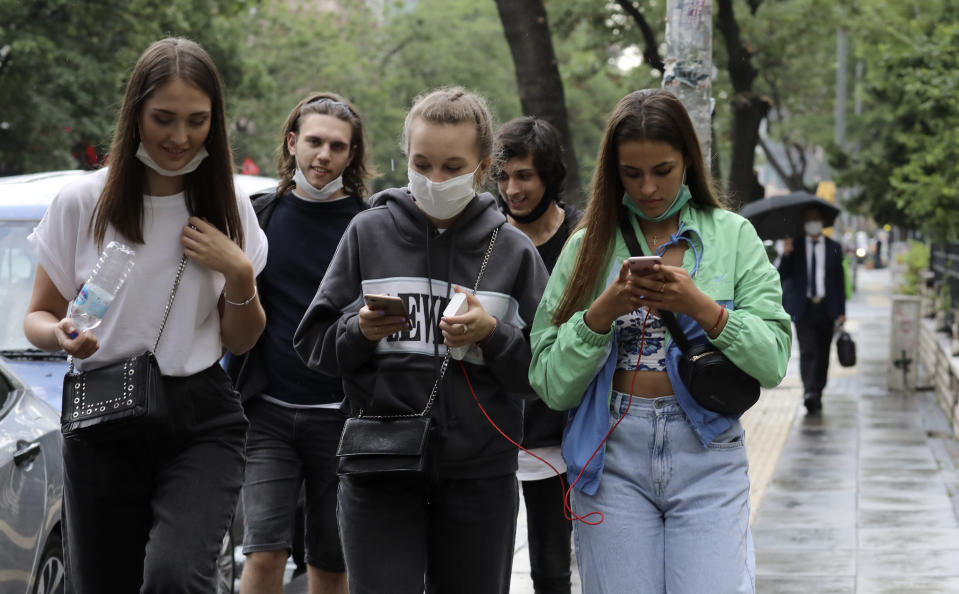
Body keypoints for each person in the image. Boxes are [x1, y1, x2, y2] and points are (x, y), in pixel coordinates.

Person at [23, 38, 268, 592]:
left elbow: (242, 339)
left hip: (200, 417)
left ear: (216, 122)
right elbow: (36, 316)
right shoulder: (82, 201)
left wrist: (240, 275)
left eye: (197, 121)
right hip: (104, 413)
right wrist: (60, 335)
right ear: (136, 113)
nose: (180, 138)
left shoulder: (229, 205)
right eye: (163, 118)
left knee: (174, 576)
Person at [528, 89, 792, 593]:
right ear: (613, 172)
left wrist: (703, 309)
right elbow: (550, 383)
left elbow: (773, 360)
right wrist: (600, 314)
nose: (648, 188)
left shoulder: (733, 236)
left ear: (688, 162)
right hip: (610, 457)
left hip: (707, 449)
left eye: (663, 170)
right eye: (632, 173)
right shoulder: (587, 247)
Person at [293, 87, 549, 594]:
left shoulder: (514, 249)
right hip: (379, 467)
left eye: (452, 166)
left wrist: (493, 335)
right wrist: (360, 330)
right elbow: (313, 345)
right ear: (404, 158)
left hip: (481, 474)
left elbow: (544, 375)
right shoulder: (368, 232)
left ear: (481, 168)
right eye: (422, 163)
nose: (434, 180)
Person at [230, 92, 372, 594]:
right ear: (292, 143)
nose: (323, 155)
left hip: (342, 414)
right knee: (263, 551)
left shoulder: (369, 223)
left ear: (351, 155)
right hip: (266, 413)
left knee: (331, 563)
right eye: (313, 141)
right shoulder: (259, 215)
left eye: (337, 146)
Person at [491, 116, 580, 594]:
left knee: (551, 568)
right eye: (503, 177)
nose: (512, 189)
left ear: (547, 175)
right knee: (486, 567)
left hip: (561, 434)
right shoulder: (485, 236)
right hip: (495, 428)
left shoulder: (583, 239)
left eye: (523, 175)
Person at [778, 204, 846, 414]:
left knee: (823, 352)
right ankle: (809, 391)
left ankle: (818, 390)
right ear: (804, 223)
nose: (813, 223)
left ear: (822, 222)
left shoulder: (834, 246)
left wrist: (842, 311)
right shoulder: (795, 246)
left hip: (827, 307)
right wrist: (787, 254)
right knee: (808, 351)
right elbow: (782, 274)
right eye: (809, 219)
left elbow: (839, 280)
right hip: (803, 307)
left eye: (816, 218)